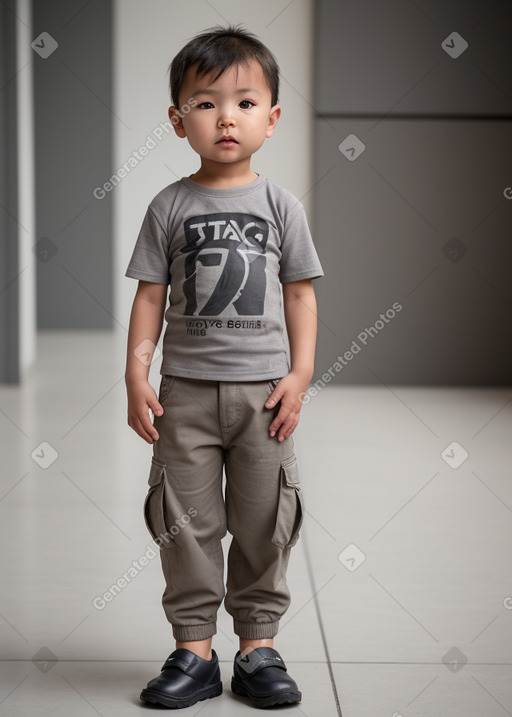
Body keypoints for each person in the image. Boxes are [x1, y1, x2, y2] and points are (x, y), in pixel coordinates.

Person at [124, 25, 323, 710]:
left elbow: (300, 292)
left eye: (243, 102)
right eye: (205, 103)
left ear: (271, 119)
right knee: (185, 519)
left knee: (267, 518)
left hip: (266, 395)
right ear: (179, 122)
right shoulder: (169, 205)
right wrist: (135, 374)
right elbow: (151, 296)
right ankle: (194, 648)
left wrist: (300, 374)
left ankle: (259, 645)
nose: (226, 117)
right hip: (184, 395)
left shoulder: (281, 206)